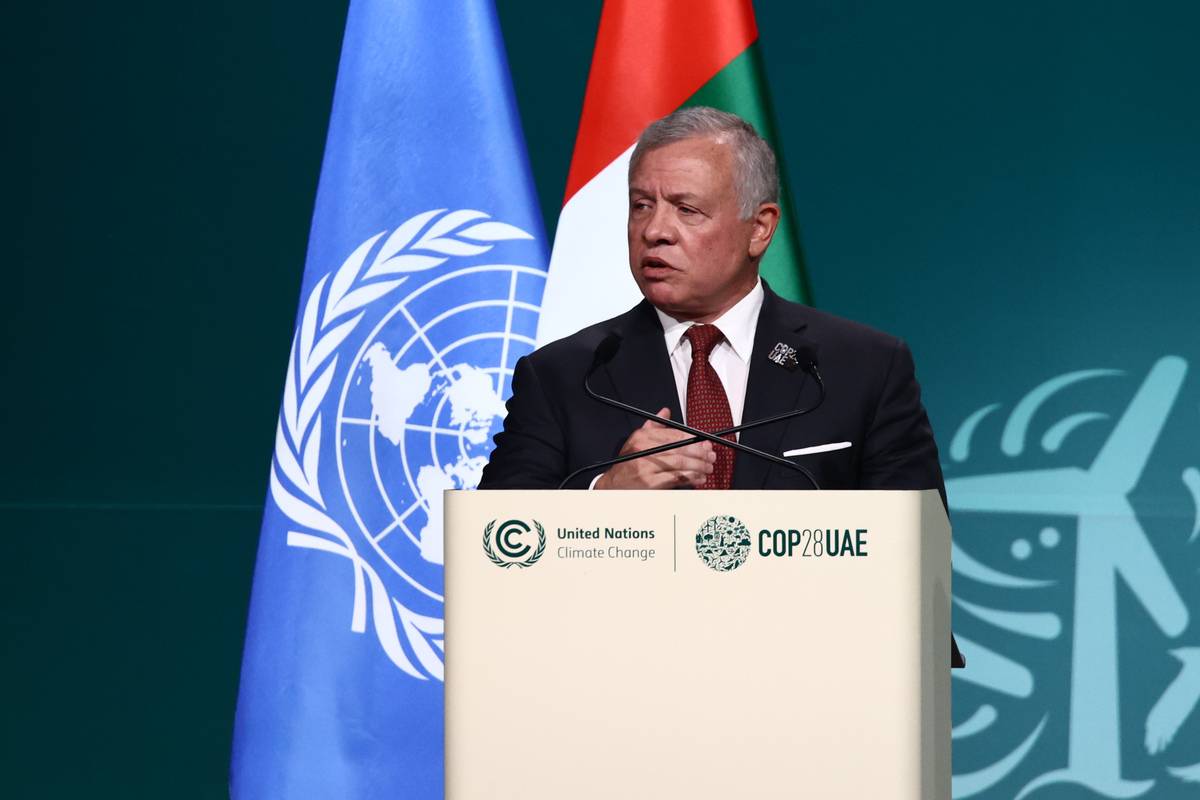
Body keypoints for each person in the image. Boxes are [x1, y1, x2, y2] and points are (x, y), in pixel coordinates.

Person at [478, 106, 945, 499]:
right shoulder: (562, 377)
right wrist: (605, 496)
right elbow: (495, 548)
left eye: (686, 209)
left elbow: (916, 554)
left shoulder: (862, 368)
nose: (655, 230)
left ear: (759, 228)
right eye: (642, 205)